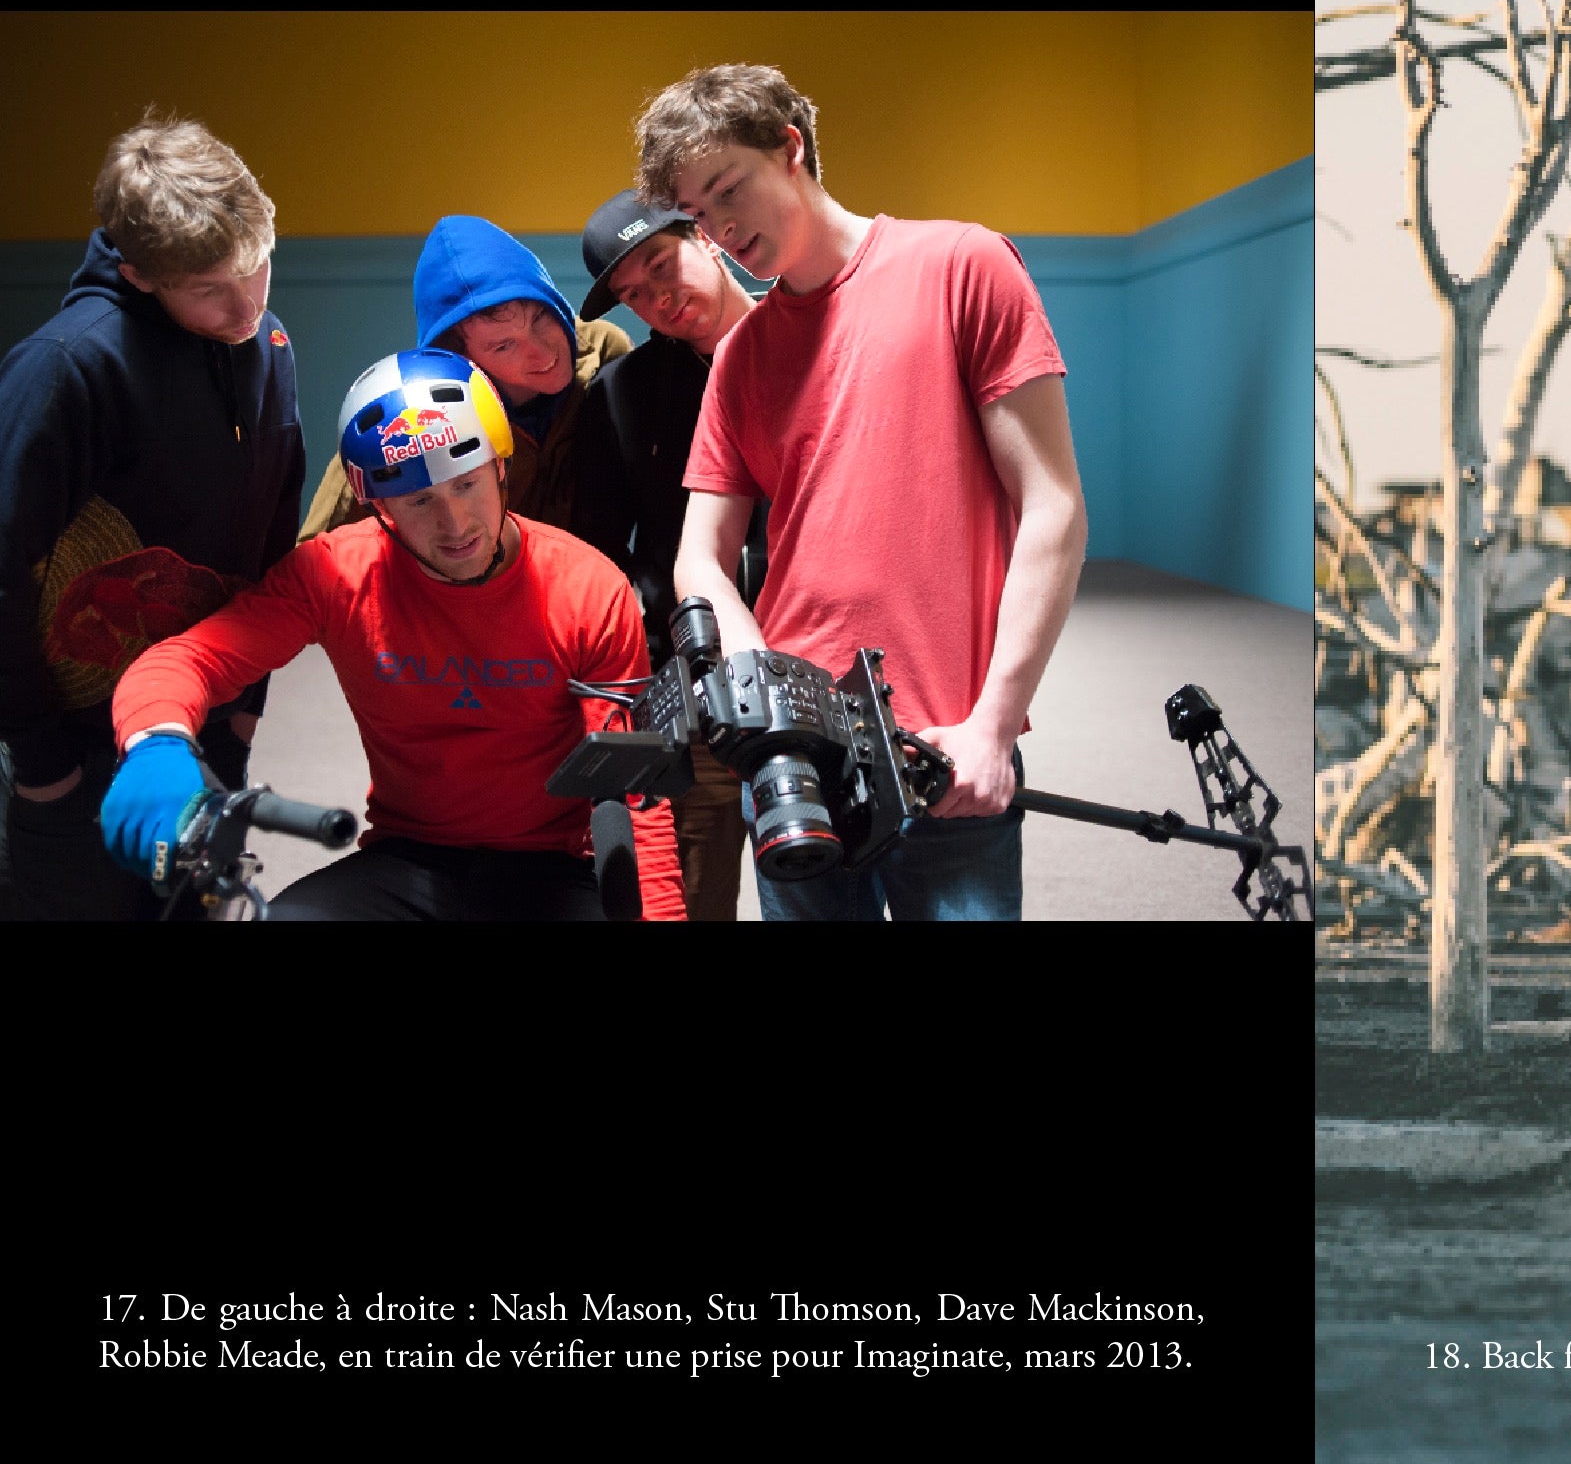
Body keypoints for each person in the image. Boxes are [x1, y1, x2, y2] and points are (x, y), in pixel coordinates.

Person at [637, 64, 1088, 922]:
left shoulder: (962, 265)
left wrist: (996, 723)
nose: (721, 228)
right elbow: (700, 557)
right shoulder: (740, 358)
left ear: (790, 148)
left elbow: (1053, 507)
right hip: (794, 759)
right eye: (699, 213)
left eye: (729, 188)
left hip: (944, 746)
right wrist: (757, 688)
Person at [99, 349, 685, 920]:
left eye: (466, 484)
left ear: (501, 467)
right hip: (411, 857)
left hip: (554, 870)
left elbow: (634, 793)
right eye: (420, 500)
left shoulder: (588, 587)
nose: (455, 525)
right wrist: (156, 741)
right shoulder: (335, 573)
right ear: (378, 506)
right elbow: (190, 659)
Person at [0, 116, 303, 921]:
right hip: (75, 747)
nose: (246, 303)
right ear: (137, 274)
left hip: (208, 719)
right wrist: (42, 760)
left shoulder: (268, 342)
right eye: (208, 289)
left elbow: (271, 536)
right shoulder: (66, 367)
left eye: (258, 265)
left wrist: (245, 710)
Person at [566, 188, 764, 921]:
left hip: (826, 664)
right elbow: (600, 551)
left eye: (660, 265)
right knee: (693, 897)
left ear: (704, 238)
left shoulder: (812, 346)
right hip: (699, 684)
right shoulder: (622, 393)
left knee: (826, 882)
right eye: (633, 294)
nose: (658, 299)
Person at [297, 216, 633, 542]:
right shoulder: (405, 418)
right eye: (503, 346)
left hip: (589, 573)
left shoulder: (604, 352)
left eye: (541, 318)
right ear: (462, 356)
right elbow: (318, 557)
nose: (542, 353)